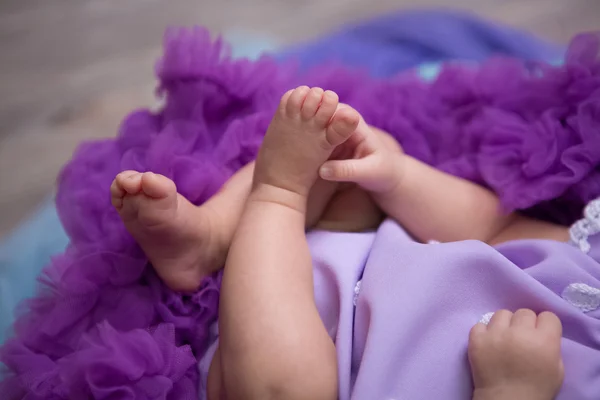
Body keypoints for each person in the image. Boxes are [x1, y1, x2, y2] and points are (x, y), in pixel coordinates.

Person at [110, 86, 566, 399]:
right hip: (358, 250)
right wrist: (399, 177)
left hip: (306, 361)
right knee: (354, 151)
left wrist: (513, 390)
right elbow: (497, 230)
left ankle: (276, 196)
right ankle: (211, 236)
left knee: (291, 390)